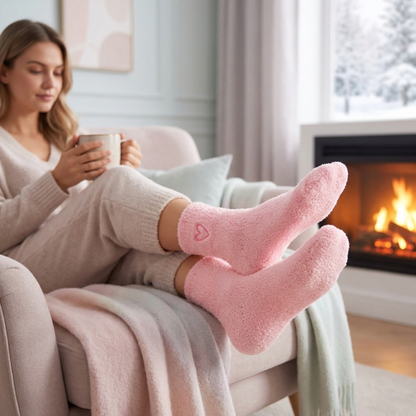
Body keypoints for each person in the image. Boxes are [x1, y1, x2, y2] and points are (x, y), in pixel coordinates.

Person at [0, 19, 349, 356]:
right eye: (36, 69)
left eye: (58, 72)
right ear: (3, 71)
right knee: (116, 188)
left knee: (146, 243)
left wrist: (114, 170)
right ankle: (239, 233)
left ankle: (243, 304)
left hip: (74, 258)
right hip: (22, 275)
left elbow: (77, 216)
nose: (50, 82)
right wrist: (59, 181)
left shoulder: (64, 135)